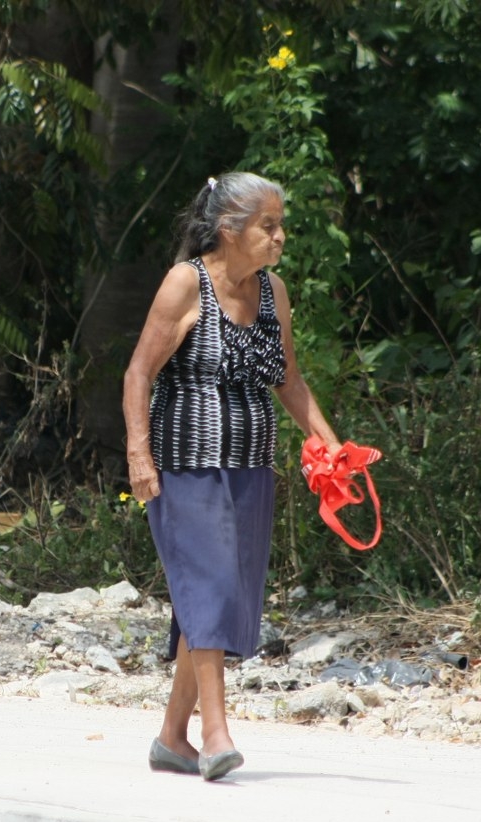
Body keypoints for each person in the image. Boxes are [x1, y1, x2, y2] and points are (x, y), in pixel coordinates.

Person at [123, 172, 341, 782]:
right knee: (213, 586)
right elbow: (139, 373)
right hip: (185, 462)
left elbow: (288, 381)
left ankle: (171, 738)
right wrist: (138, 454)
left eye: (280, 225)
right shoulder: (185, 283)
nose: (279, 237)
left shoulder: (273, 292)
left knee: (221, 594)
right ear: (229, 230)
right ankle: (216, 735)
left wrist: (331, 446)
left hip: (250, 464)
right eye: (267, 226)